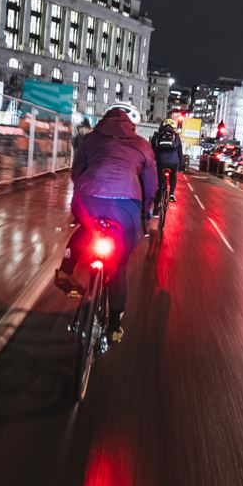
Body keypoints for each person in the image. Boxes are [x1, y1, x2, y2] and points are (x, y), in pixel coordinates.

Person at [56, 102, 156, 343]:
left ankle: (65, 272)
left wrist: (84, 188)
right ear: (131, 123)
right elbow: (151, 186)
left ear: (105, 118)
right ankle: (114, 325)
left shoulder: (91, 140)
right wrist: (145, 212)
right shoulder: (141, 144)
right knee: (118, 266)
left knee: (85, 228)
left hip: (88, 200)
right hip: (125, 207)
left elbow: (76, 171)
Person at [150, 118, 184, 206]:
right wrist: (181, 165)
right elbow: (180, 152)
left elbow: (151, 150)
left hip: (160, 162)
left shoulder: (157, 136)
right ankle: (172, 194)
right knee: (173, 175)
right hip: (174, 163)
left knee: (160, 185)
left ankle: (156, 209)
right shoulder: (176, 137)